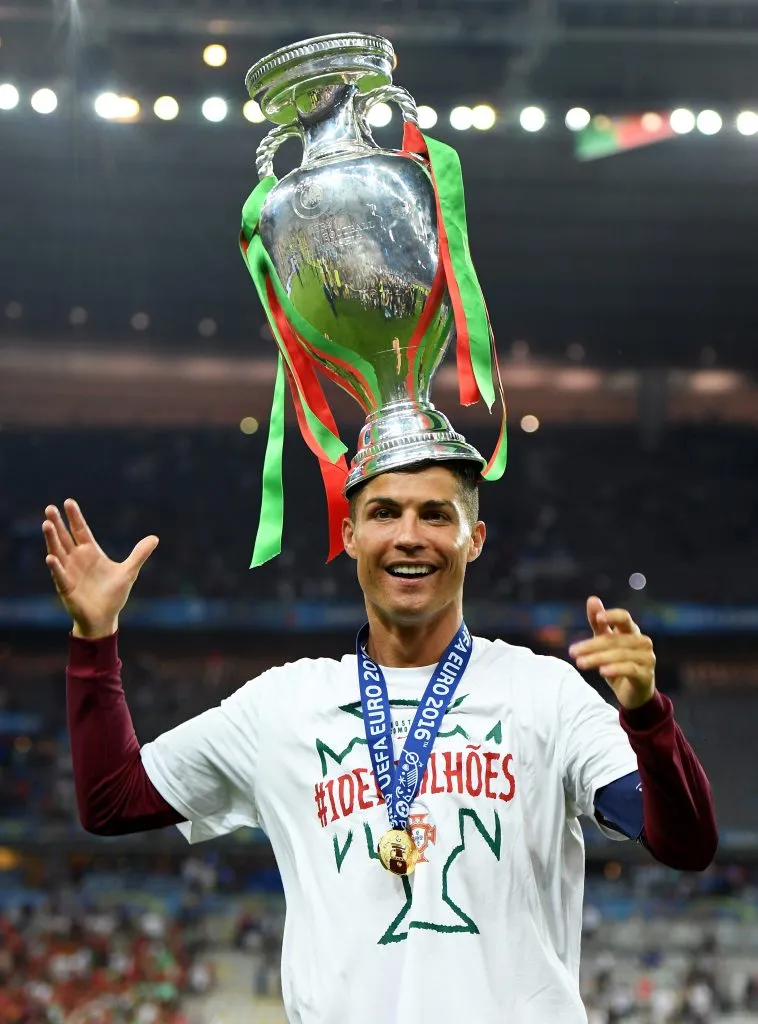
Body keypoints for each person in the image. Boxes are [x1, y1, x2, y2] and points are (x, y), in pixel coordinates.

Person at [43, 460, 717, 1024]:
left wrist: (648, 716)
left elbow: (685, 843)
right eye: (385, 512)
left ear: (473, 537)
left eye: (435, 514)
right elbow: (112, 800)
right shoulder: (283, 706)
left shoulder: (546, 693)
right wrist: (95, 639)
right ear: (351, 535)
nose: (409, 536)